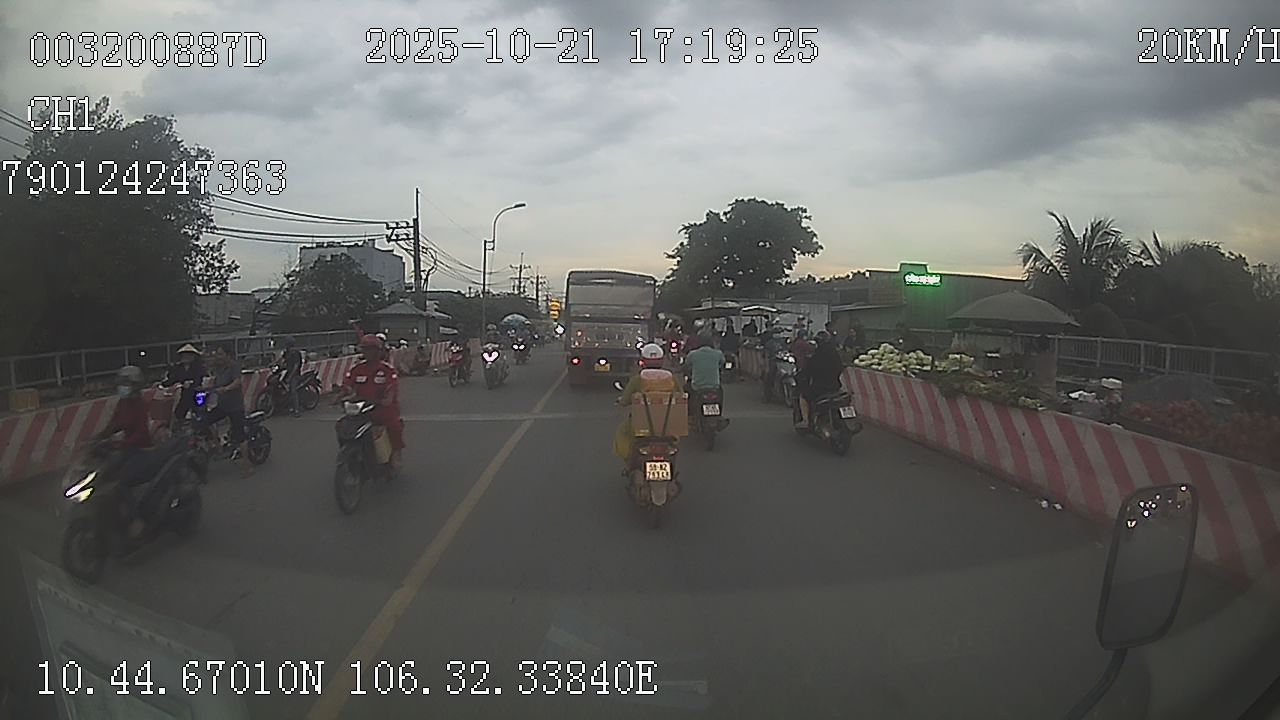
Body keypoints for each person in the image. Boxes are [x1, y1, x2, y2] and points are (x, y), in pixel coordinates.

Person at [95, 366, 155, 538]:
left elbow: (142, 432)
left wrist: (122, 444)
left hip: (141, 450)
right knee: (103, 475)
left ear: (135, 386)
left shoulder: (140, 405)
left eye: (126, 384)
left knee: (122, 481)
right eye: (121, 384)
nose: (123, 387)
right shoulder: (123, 403)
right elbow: (114, 424)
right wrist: (98, 438)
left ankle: (137, 520)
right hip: (127, 449)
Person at [613, 343, 685, 467]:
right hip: (668, 426)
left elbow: (625, 401)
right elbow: (681, 396)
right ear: (662, 360)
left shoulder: (638, 379)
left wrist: (622, 401)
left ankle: (630, 462)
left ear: (643, 361)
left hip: (642, 425)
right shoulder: (671, 379)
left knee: (623, 433)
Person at [339, 335, 405, 469]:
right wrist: (340, 395)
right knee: (341, 425)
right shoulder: (357, 368)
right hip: (361, 408)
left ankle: (396, 453)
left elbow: (392, 386)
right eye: (365, 349)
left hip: (382, 408)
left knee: (394, 425)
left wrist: (388, 398)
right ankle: (349, 450)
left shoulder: (387, 369)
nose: (367, 352)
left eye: (370, 349)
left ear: (378, 351)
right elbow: (347, 384)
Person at [205, 344, 255, 477]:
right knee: (204, 421)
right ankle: (218, 447)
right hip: (222, 405)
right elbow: (214, 383)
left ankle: (247, 466)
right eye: (217, 354)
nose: (218, 356)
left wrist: (226, 388)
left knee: (240, 436)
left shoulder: (234, 366)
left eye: (220, 354)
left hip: (235, 406)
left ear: (228, 355)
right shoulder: (217, 367)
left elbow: (237, 382)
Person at [795, 331, 845, 429]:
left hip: (820, 388)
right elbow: (840, 368)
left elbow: (808, 371)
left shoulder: (817, 355)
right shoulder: (835, 353)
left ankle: (806, 421)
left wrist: (800, 377)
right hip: (835, 387)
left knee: (803, 396)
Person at [161, 344, 206, 425]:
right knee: (178, 414)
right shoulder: (178, 368)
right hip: (183, 395)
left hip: (197, 394)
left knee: (200, 413)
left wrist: (191, 383)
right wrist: (161, 384)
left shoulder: (199, 368)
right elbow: (173, 379)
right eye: (184, 355)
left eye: (188, 355)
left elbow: (201, 379)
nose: (186, 357)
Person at [281, 337, 304, 418]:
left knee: (293, 391)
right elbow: (281, 359)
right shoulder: (286, 352)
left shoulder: (296, 353)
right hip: (287, 373)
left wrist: (290, 376)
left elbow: (296, 366)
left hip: (295, 375)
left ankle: (297, 410)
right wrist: (273, 363)